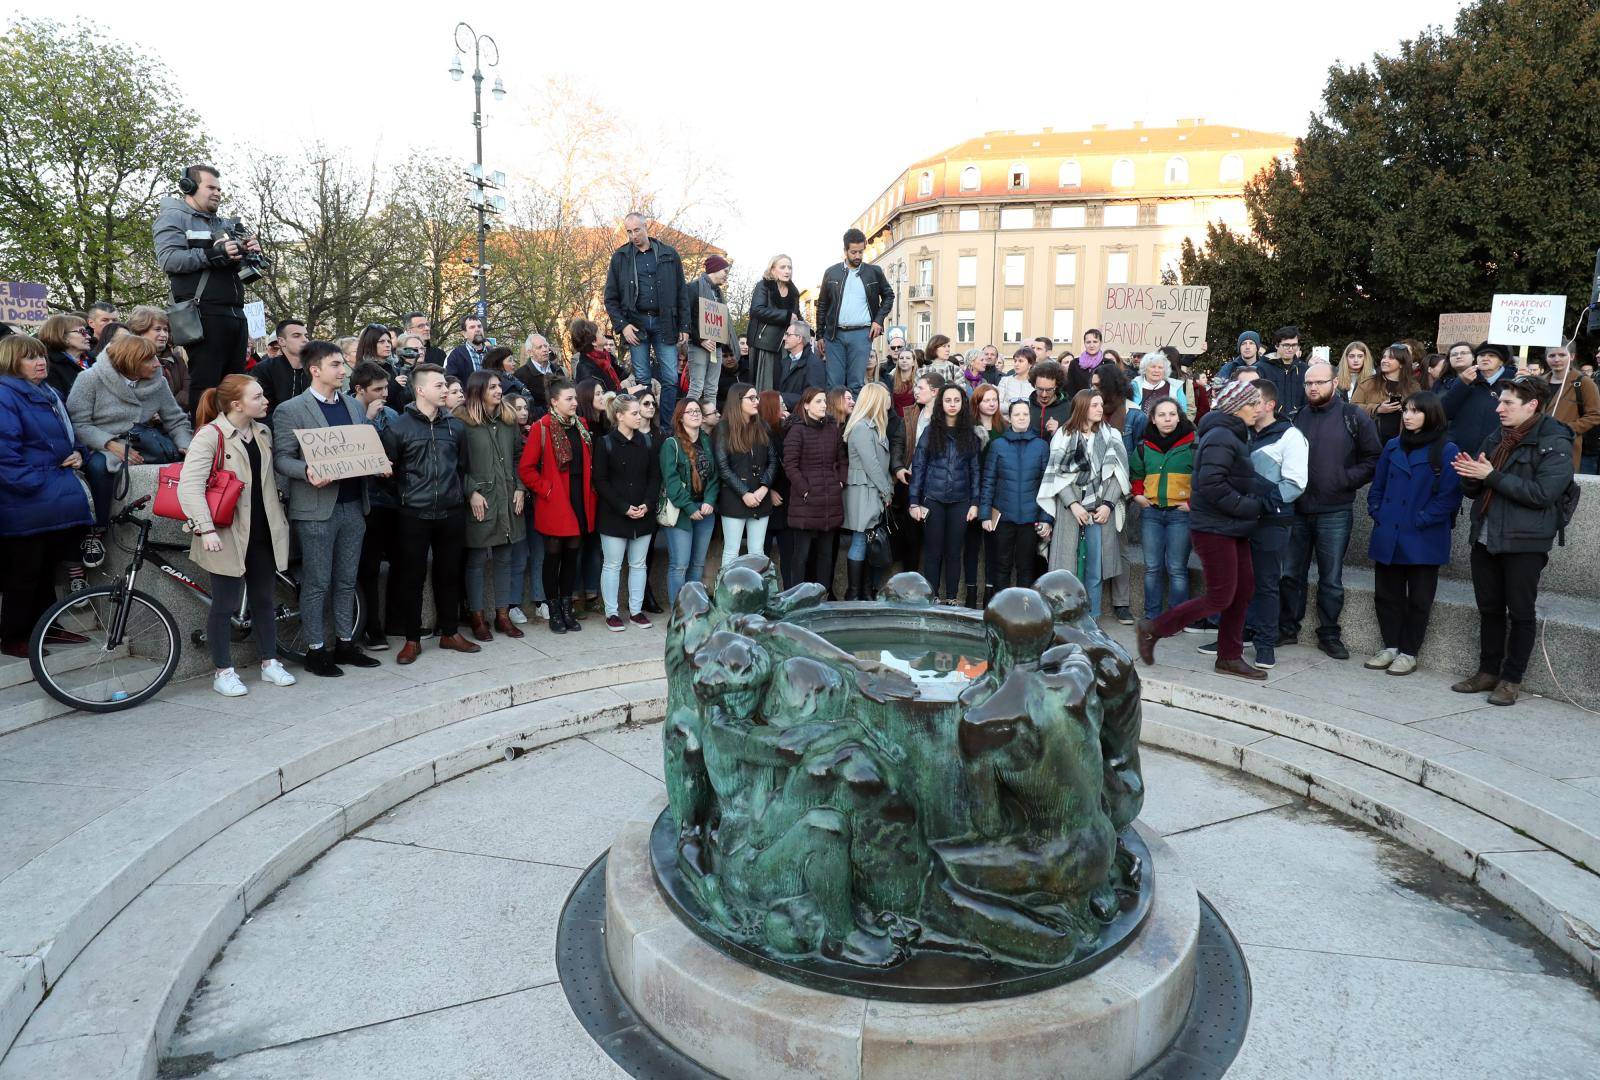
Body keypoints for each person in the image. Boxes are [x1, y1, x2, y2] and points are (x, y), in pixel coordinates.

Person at [1451, 375, 1575, 706]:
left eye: (1507, 403)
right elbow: (1479, 483)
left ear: (1531, 405)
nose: (1498, 408)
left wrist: (1489, 476)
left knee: (1520, 612)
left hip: (1525, 541)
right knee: (1489, 609)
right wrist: (1469, 477)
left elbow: (1543, 494)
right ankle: (1487, 671)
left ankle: (1511, 679)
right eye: (1499, 401)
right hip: (1486, 537)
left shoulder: (1555, 441)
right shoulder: (1498, 436)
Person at [1136, 381, 1269, 680]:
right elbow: (1211, 484)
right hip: (1214, 528)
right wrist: (1251, 505)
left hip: (1230, 526)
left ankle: (1229, 657)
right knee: (1221, 596)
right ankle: (1153, 629)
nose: (1259, 408)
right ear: (1237, 406)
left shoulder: (1231, 433)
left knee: (1243, 589)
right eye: (1254, 403)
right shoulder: (1221, 435)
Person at [179, 375, 297, 696]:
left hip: (263, 530)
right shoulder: (210, 436)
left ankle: (269, 662)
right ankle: (223, 671)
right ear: (236, 404)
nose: (265, 401)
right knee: (225, 603)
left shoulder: (263, 432)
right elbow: (189, 486)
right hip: (226, 531)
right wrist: (205, 528)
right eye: (257, 397)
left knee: (263, 598)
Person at [270, 341, 383, 676]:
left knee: (347, 580)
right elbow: (281, 459)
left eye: (341, 364)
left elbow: (363, 447)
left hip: (353, 504)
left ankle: (346, 643)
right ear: (315, 370)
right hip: (317, 509)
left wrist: (377, 464)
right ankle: (317, 649)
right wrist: (306, 471)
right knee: (317, 582)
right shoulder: (291, 409)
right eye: (335, 365)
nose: (342, 370)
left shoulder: (353, 405)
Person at [379, 364, 479, 665]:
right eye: (438, 385)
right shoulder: (398, 428)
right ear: (420, 390)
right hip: (413, 514)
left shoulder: (456, 427)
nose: (445, 390)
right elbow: (387, 474)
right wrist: (406, 499)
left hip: (450, 512)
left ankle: (450, 632)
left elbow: (463, 468)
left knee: (449, 574)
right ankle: (412, 639)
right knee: (411, 577)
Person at [1281, 361, 1382, 659]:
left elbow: (1373, 457)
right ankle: (1287, 628)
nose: (1313, 388)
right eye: (1309, 383)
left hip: (1335, 511)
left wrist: (1345, 479)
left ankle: (1329, 633)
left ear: (1334, 383)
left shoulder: (1354, 416)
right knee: (1290, 574)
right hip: (1297, 509)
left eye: (1319, 382)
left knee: (1331, 578)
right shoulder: (1296, 417)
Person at [0, 335, 93, 657]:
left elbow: (68, 438)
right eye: (30, 358)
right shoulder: (5, 395)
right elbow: (4, 453)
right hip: (26, 499)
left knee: (45, 568)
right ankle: (14, 636)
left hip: (51, 494)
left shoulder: (49, 392)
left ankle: (46, 627)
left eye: (41, 356)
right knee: (24, 572)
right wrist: (37, 484)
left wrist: (79, 454)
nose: (41, 362)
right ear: (13, 362)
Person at [68, 335, 193, 569]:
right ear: (131, 362)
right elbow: (78, 424)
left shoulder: (158, 381)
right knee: (98, 467)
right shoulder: (90, 379)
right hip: (105, 444)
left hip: (146, 442)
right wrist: (109, 444)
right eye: (150, 359)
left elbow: (175, 420)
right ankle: (96, 532)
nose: (157, 363)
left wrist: (186, 444)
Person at [1363, 391, 1462, 677]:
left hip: (1422, 536)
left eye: (1416, 411)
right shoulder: (1393, 446)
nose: (1407, 416)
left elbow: (1449, 497)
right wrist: (1377, 512)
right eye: (1406, 410)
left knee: (1419, 599)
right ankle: (1390, 646)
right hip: (1389, 531)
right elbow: (1377, 487)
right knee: (1386, 595)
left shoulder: (1446, 450)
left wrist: (1422, 519)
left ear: (1430, 415)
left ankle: (1409, 652)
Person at [153, 165, 255, 404]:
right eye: (210, 187)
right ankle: (205, 439)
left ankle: (232, 440)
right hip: (203, 314)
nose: (217, 193)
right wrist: (212, 253)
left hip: (236, 313)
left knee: (236, 388)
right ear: (188, 187)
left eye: (219, 188)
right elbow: (168, 259)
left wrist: (250, 255)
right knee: (207, 388)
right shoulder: (173, 217)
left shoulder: (224, 223)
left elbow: (236, 265)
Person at [1036, 389, 1129, 620]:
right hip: (1071, 510)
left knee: (1095, 568)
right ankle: (1064, 616)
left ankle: (1092, 618)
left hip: (1100, 509)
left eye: (1101, 404)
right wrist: (1073, 504)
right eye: (1095, 405)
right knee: (1066, 567)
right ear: (1082, 408)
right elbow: (1057, 475)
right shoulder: (1064, 435)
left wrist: (1108, 504)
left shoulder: (1111, 435)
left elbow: (1119, 474)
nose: (1100, 409)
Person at [519, 379, 595, 634]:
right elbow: (526, 469)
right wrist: (547, 489)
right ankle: (553, 609)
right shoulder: (542, 427)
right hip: (555, 501)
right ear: (553, 401)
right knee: (553, 556)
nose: (575, 403)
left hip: (578, 498)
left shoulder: (581, 426)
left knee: (573, 554)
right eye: (569, 399)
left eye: (575, 398)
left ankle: (566, 606)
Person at [456, 370, 527, 642]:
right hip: (480, 500)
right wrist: (471, 490)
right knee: (475, 559)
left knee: (505, 558)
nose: (499, 391)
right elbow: (455, 464)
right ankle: (476, 617)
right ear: (478, 390)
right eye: (493, 387)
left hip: (507, 498)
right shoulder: (461, 422)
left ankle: (502, 615)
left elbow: (520, 456)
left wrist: (521, 487)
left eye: (500, 386)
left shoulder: (509, 420)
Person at [603, 212, 690, 420]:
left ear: (646, 227)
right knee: (642, 379)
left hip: (665, 322)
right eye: (629, 231)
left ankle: (667, 425)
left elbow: (682, 292)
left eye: (637, 230)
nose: (633, 235)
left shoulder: (669, 254)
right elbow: (610, 298)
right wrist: (622, 325)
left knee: (670, 377)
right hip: (635, 323)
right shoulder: (620, 257)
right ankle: (644, 425)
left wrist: (684, 326)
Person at [592, 394, 661, 631]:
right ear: (619, 416)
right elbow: (600, 481)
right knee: (612, 564)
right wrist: (623, 507)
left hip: (643, 513)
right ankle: (611, 612)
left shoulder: (648, 442)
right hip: (614, 515)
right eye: (634, 413)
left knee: (639, 564)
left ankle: (636, 610)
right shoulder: (605, 442)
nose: (639, 416)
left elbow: (655, 477)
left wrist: (647, 504)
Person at [909, 385, 981, 604]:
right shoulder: (930, 432)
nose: (952, 404)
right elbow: (918, 467)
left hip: (961, 500)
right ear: (940, 403)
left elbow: (975, 470)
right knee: (933, 552)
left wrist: (975, 503)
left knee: (954, 551)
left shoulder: (970, 433)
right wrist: (913, 502)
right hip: (933, 499)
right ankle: (933, 597)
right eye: (947, 400)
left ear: (962, 404)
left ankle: (951, 598)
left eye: (956, 400)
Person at [350, 362, 403, 650]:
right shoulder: (350, 410)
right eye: (377, 389)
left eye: (386, 387)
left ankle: (397, 621)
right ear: (360, 389)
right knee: (368, 568)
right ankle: (372, 629)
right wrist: (368, 421)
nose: (384, 393)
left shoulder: (392, 413)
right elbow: (351, 451)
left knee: (401, 562)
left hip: (392, 498)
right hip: (365, 501)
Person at [1130, 397, 1196, 621]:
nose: (1167, 419)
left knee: (1177, 567)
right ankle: (1152, 616)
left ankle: (1178, 617)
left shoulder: (1192, 444)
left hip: (1180, 514)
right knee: (1152, 567)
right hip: (1152, 513)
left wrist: (1191, 503)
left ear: (1179, 417)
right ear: (1153, 419)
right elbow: (1136, 475)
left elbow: (1203, 477)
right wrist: (1138, 495)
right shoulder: (1144, 446)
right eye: (1162, 415)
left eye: (1172, 414)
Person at [979, 399, 1052, 591]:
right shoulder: (998, 445)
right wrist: (985, 514)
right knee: (1001, 566)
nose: (1021, 418)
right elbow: (988, 481)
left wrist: (1046, 518)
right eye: (1017, 414)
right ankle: (1001, 610)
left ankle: (1024, 611)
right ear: (1009, 418)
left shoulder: (1041, 446)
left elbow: (1047, 486)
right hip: (1003, 517)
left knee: (1026, 567)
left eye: (1025, 414)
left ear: (1030, 417)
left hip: (1030, 519)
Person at [783, 386, 846, 591]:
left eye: (824, 402)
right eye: (818, 401)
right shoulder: (797, 430)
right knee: (801, 555)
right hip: (806, 502)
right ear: (806, 405)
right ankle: (796, 598)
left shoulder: (832, 428)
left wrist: (840, 482)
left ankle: (823, 598)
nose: (823, 405)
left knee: (826, 555)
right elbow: (790, 465)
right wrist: (805, 490)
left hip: (830, 500)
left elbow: (842, 460)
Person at [816, 228, 894, 394]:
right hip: (834, 336)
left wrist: (878, 320)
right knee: (834, 384)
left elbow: (889, 296)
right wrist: (820, 335)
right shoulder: (831, 273)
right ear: (845, 251)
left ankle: (855, 420)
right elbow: (822, 305)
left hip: (862, 334)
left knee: (856, 384)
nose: (858, 256)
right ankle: (834, 421)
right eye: (853, 252)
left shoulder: (874, 272)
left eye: (861, 252)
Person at [660, 399, 719, 606]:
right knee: (679, 565)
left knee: (697, 565)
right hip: (681, 511)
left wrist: (710, 500)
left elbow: (714, 475)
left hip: (705, 511)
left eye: (697, 411)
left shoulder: (706, 441)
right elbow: (672, 480)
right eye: (690, 411)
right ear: (680, 417)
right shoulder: (671, 444)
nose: (695, 414)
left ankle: (696, 610)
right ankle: (680, 612)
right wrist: (690, 507)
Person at [842, 383, 895, 599]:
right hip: (863, 490)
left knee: (867, 539)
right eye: (885, 397)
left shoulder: (874, 426)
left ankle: (864, 590)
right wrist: (887, 490)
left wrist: (886, 488)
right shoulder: (862, 428)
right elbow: (871, 463)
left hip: (872, 490)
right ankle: (854, 593)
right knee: (859, 539)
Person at [714, 383, 775, 559]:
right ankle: (725, 588)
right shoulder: (723, 428)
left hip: (760, 496)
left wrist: (764, 488)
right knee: (731, 551)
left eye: (757, 398)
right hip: (734, 497)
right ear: (737, 401)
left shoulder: (762, 426)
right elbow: (723, 468)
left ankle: (758, 588)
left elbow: (773, 461)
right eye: (751, 398)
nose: (756, 401)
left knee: (757, 551)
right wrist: (745, 493)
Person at [1441, 342, 1510, 457]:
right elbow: (1444, 412)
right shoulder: (1465, 379)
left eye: (1492, 356)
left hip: (1497, 452)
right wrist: (1462, 384)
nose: (1485, 358)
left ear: (1501, 361)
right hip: (1460, 451)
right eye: (1481, 355)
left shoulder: (1513, 382)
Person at [684, 254, 734, 408]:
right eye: (725, 272)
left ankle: (709, 422)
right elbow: (686, 319)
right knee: (696, 388)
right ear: (715, 269)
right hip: (699, 346)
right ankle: (686, 424)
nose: (726, 276)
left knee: (712, 389)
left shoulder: (719, 294)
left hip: (716, 348)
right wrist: (701, 339)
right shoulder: (693, 288)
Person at [747, 254, 802, 394]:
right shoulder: (764, 285)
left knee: (781, 383)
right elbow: (756, 310)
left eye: (789, 267)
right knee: (765, 386)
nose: (787, 271)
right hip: (764, 343)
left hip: (785, 344)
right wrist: (786, 316)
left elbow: (796, 316)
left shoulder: (794, 292)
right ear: (772, 270)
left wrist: (808, 330)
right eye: (783, 267)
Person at [1543, 341, 1600, 471]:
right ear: (1546, 358)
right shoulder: (1540, 382)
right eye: (1552, 355)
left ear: (1572, 356)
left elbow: (1595, 415)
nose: (1557, 359)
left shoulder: (1584, 383)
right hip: (1538, 446)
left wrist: (1567, 428)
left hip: (1566, 447)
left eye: (1562, 355)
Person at [1352, 343, 1421, 445]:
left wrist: (1405, 408)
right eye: (1384, 357)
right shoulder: (1368, 383)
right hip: (1371, 441)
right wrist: (1378, 408)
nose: (1384, 360)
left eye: (1391, 358)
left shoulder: (1413, 387)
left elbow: (1422, 410)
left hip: (1403, 441)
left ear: (1401, 364)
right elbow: (1352, 407)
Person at [255, 318, 311, 417]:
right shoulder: (265, 369)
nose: (304, 340)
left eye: (306, 336)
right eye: (296, 336)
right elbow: (261, 408)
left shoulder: (315, 369)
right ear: (281, 341)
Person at [572, 317, 630, 395]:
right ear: (594, 342)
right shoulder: (585, 369)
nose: (602, 333)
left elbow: (623, 375)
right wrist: (627, 391)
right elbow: (601, 397)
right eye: (598, 331)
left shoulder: (607, 356)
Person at [40, 313, 93, 399]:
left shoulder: (93, 360)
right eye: (82, 332)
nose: (89, 336)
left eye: (87, 332)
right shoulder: (49, 366)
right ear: (63, 337)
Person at [1262, 326, 1309, 420]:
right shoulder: (1261, 368)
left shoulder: (1305, 369)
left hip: (1299, 423)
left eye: (1294, 345)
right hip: (1271, 424)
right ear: (1276, 345)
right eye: (1286, 345)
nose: (1291, 349)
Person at [775, 322, 826, 408]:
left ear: (799, 338)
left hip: (803, 418)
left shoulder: (814, 364)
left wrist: (783, 398)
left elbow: (814, 398)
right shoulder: (784, 362)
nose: (784, 338)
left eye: (788, 334)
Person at [512, 332, 562, 419]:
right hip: (539, 422)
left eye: (546, 346)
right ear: (530, 352)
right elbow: (526, 405)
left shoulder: (557, 369)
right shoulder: (521, 375)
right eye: (539, 347)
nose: (545, 350)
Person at [1131, 352, 1189, 416]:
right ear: (1145, 369)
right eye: (1153, 367)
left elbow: (1182, 413)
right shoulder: (1134, 386)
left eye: (1160, 367)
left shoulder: (1175, 387)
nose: (1156, 370)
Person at [1028, 359, 1071, 439]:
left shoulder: (1068, 408)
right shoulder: (1026, 406)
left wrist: (1058, 432)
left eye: (1049, 390)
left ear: (1057, 386)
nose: (1044, 394)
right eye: (1040, 389)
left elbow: (1073, 441)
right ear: (1034, 385)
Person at [1063, 328, 1108, 397]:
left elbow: (1111, 389)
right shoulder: (1075, 363)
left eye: (1095, 342)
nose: (1091, 345)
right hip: (1080, 404)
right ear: (1084, 343)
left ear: (1100, 343)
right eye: (1088, 342)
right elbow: (1070, 389)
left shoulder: (1108, 363)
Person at [444, 315, 489, 384]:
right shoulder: (456, 356)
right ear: (464, 334)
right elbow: (451, 382)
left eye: (479, 326)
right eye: (472, 327)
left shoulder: (494, 354)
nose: (477, 329)